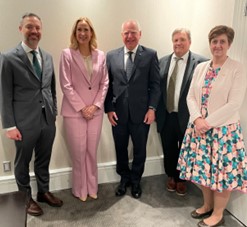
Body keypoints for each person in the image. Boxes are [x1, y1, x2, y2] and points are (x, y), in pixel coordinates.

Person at [177, 25, 247, 227]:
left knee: (221, 176)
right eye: (214, 41)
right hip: (199, 129)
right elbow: (190, 96)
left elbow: (234, 103)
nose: (217, 45)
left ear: (229, 44)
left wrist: (206, 123)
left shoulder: (237, 68)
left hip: (224, 132)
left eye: (222, 41)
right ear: (210, 44)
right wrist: (198, 119)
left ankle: (218, 214)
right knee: (202, 173)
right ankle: (207, 205)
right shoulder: (201, 67)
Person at [0, 13, 63, 216]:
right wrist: (9, 125)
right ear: (21, 29)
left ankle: (43, 191)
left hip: (47, 121)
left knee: (43, 159)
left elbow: (51, 88)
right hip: (23, 123)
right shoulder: (8, 58)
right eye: (29, 27)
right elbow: (4, 94)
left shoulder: (47, 56)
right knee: (22, 162)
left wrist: (53, 112)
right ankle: (25, 198)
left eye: (37, 28)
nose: (34, 31)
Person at [104, 19, 160, 199]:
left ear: (140, 34)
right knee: (120, 148)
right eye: (126, 33)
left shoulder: (150, 55)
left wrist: (152, 108)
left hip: (142, 114)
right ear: (122, 35)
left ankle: (136, 180)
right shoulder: (111, 56)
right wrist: (109, 109)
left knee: (140, 149)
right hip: (118, 114)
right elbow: (107, 86)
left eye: (133, 32)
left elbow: (155, 85)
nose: (130, 36)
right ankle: (124, 178)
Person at [59, 17, 109, 202]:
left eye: (86, 29)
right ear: (75, 33)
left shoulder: (101, 55)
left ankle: (92, 187)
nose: (82, 33)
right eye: (79, 29)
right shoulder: (67, 54)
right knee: (78, 152)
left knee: (91, 151)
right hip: (74, 112)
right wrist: (82, 108)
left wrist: (95, 106)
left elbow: (105, 83)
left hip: (95, 112)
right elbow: (66, 84)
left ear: (91, 32)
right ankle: (80, 189)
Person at [156, 28, 208, 196]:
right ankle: (171, 175)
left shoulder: (201, 62)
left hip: (187, 116)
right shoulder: (162, 61)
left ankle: (182, 179)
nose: (178, 43)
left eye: (182, 40)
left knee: (185, 148)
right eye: (175, 40)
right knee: (168, 147)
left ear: (189, 42)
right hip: (166, 114)